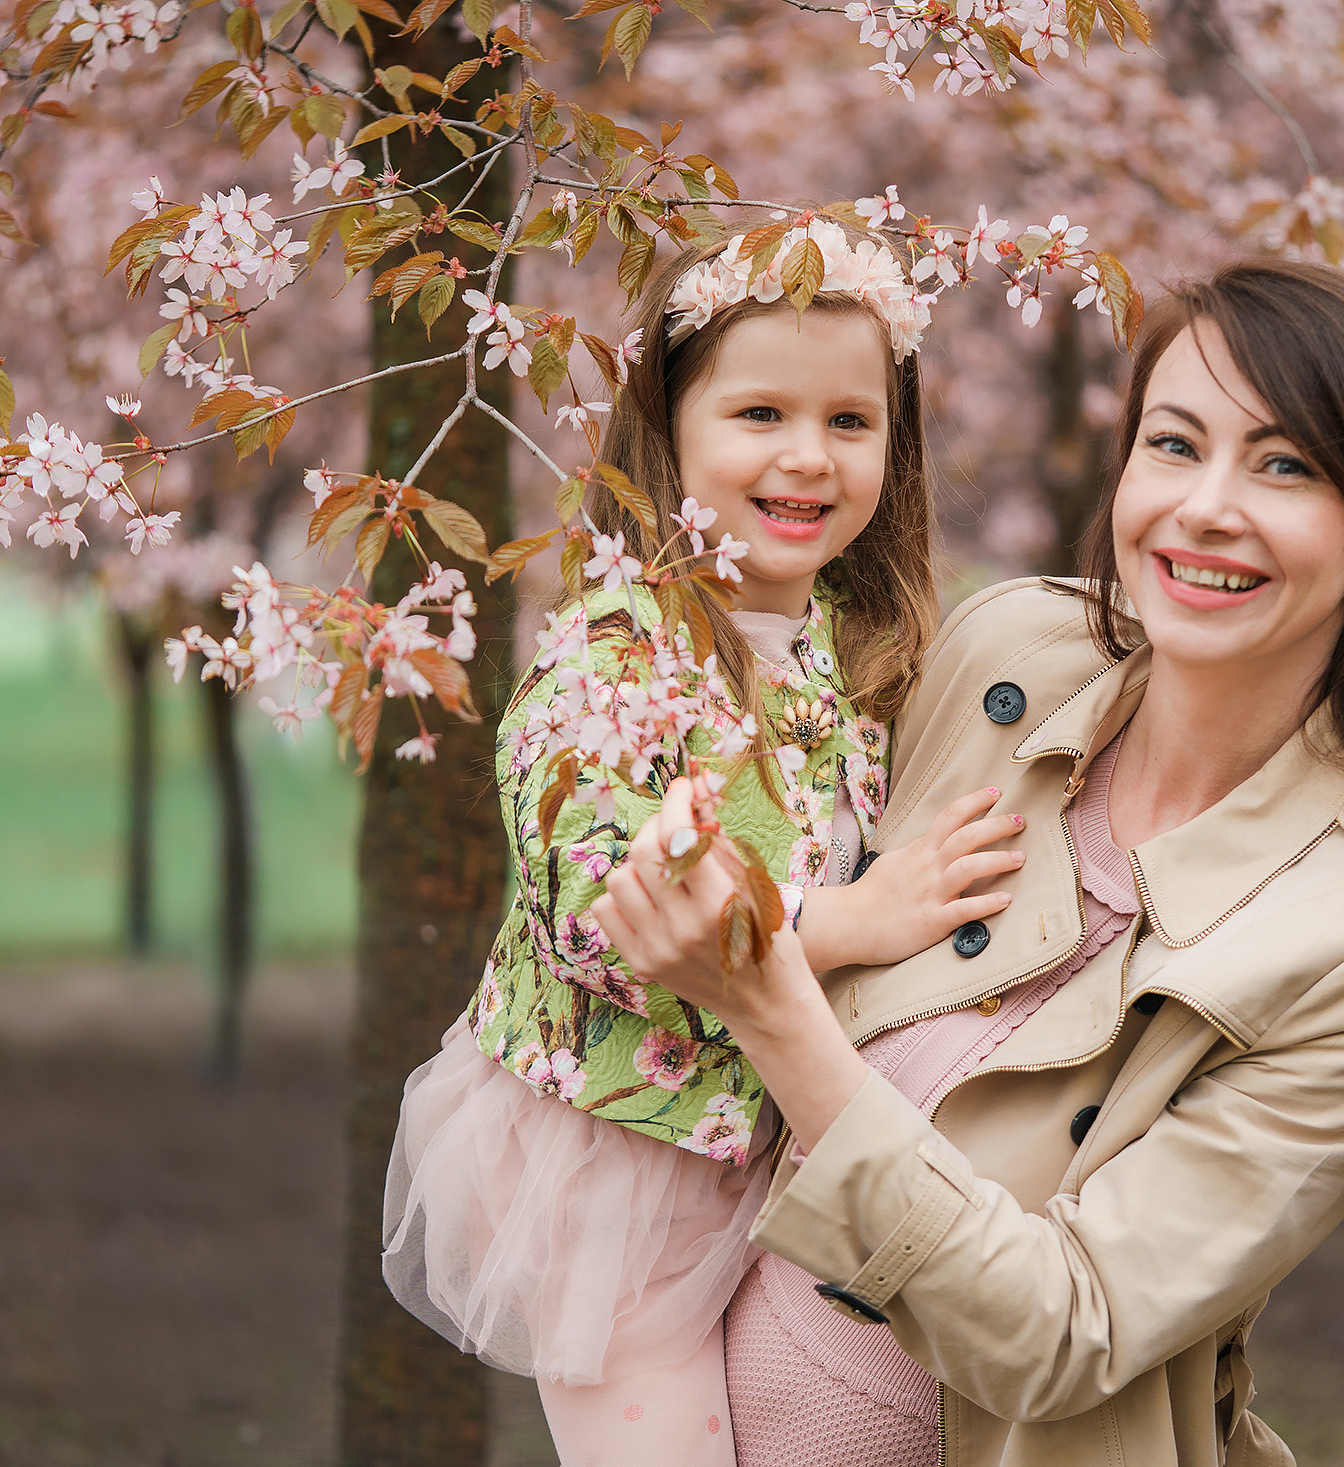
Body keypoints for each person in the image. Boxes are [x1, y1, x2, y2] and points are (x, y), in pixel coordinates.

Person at [594, 257, 1344, 1467]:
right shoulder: (1013, 658)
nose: (1205, 507)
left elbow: (1063, 1331)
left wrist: (772, 1006)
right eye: (1173, 444)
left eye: (1285, 467)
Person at [380, 217, 1024, 1467]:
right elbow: (599, 917)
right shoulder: (613, 657)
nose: (808, 456)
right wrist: (856, 920)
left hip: (775, 1141)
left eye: (850, 421)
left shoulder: (859, 645)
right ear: (668, 427)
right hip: (618, 1169)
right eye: (759, 414)